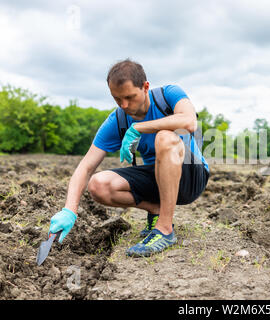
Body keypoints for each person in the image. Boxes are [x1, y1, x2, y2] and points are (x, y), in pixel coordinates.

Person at [48, 59, 209, 257]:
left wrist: (139, 127)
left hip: (191, 175)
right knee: (98, 184)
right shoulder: (117, 121)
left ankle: (165, 229)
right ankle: (156, 210)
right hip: (158, 178)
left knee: (165, 137)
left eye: (129, 97)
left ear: (145, 87)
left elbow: (189, 121)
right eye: (117, 99)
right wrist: (69, 210)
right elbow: (85, 167)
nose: (124, 105)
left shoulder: (168, 95)